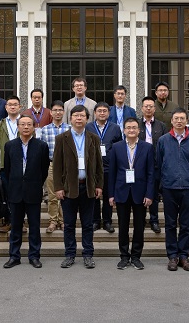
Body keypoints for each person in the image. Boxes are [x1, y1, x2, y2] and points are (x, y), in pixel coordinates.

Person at [53, 105, 104, 269]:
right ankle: (70, 254)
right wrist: (58, 187)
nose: (79, 118)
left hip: (88, 187)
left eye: (82, 115)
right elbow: (57, 165)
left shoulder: (93, 138)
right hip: (69, 188)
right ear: (71, 118)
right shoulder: (62, 138)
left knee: (88, 224)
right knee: (69, 224)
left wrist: (99, 185)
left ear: (87, 119)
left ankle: (88, 254)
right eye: (76, 115)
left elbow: (99, 165)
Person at [155, 108, 189, 272]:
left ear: (186, 120)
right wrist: (160, 186)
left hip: (187, 187)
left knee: (185, 225)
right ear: (172, 121)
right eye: (176, 118)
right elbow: (158, 163)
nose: (179, 121)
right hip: (169, 187)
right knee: (170, 224)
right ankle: (172, 256)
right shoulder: (163, 140)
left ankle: (184, 256)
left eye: (182, 118)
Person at [3, 115, 50, 269]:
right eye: (22, 124)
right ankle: (14, 256)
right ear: (18, 127)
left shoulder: (41, 146)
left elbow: (43, 170)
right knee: (16, 226)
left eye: (29, 124)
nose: (26, 127)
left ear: (34, 127)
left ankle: (34, 256)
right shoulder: (10, 146)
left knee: (34, 226)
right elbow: (7, 169)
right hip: (15, 191)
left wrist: (35, 183)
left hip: (33, 191)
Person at [109, 118, 154, 270]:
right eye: (128, 127)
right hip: (121, 192)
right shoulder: (116, 147)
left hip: (140, 193)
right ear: (124, 130)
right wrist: (111, 194)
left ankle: (136, 256)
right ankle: (124, 256)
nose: (131, 130)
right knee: (123, 226)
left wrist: (149, 194)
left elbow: (151, 173)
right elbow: (112, 172)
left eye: (134, 127)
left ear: (139, 130)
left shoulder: (147, 147)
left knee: (139, 226)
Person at [86, 101, 122, 233]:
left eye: (104, 111)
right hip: (92, 167)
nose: (102, 113)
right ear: (94, 113)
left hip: (109, 167)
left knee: (108, 195)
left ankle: (107, 221)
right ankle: (95, 220)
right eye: (99, 111)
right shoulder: (88, 127)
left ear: (109, 113)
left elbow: (119, 147)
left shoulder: (115, 128)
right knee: (94, 195)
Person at [137, 96, 167, 233]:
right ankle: (141, 220)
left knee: (154, 195)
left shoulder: (161, 126)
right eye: (146, 106)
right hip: (139, 164)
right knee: (140, 192)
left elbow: (165, 146)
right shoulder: (136, 125)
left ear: (154, 109)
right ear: (142, 108)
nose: (148, 108)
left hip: (155, 164)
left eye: (151, 106)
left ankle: (154, 220)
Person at [40, 100, 71, 233]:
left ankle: (63, 220)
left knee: (65, 193)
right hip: (51, 164)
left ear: (63, 112)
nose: (58, 112)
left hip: (67, 165)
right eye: (55, 110)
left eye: (60, 110)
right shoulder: (45, 130)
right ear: (51, 113)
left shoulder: (69, 129)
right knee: (52, 194)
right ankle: (53, 220)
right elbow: (42, 150)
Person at [0, 95, 22, 233]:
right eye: (10, 104)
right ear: (6, 107)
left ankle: (20, 222)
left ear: (19, 107)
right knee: (6, 193)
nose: (12, 107)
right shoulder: (0, 124)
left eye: (15, 104)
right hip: (4, 164)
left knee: (20, 193)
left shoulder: (25, 122)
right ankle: (8, 220)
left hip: (21, 163)